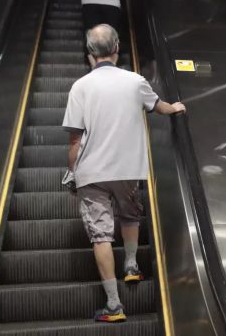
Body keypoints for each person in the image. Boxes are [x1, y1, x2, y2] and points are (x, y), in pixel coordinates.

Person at [62, 24, 186, 322]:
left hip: (92, 172)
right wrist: (177, 107)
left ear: (90, 52)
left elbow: (75, 140)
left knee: (101, 235)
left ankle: (114, 305)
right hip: (128, 168)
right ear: (117, 48)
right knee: (130, 215)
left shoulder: (80, 87)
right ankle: (131, 265)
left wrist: (71, 172)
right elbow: (158, 106)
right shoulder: (135, 81)